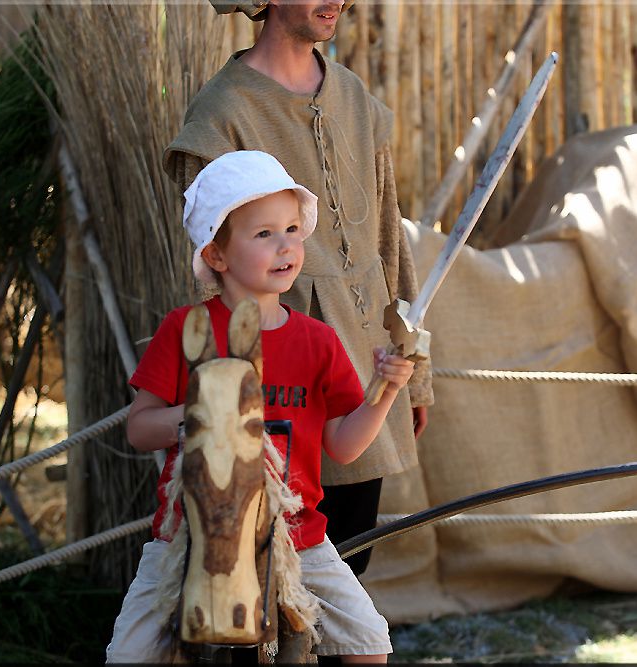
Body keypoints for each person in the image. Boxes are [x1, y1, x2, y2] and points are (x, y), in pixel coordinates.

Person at [106, 150, 415, 663]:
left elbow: (342, 445)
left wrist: (384, 392)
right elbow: (140, 430)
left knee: (369, 644)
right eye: (264, 233)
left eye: (293, 229)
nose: (286, 245)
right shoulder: (187, 330)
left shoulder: (318, 341)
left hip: (299, 538)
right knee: (129, 657)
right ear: (218, 255)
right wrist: (211, 407)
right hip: (189, 532)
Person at [163, 0, 434, 579]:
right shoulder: (224, 114)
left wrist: (415, 369)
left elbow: (388, 240)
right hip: (278, 384)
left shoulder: (354, 97)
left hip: (364, 361)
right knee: (267, 581)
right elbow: (212, 269)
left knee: (348, 576)